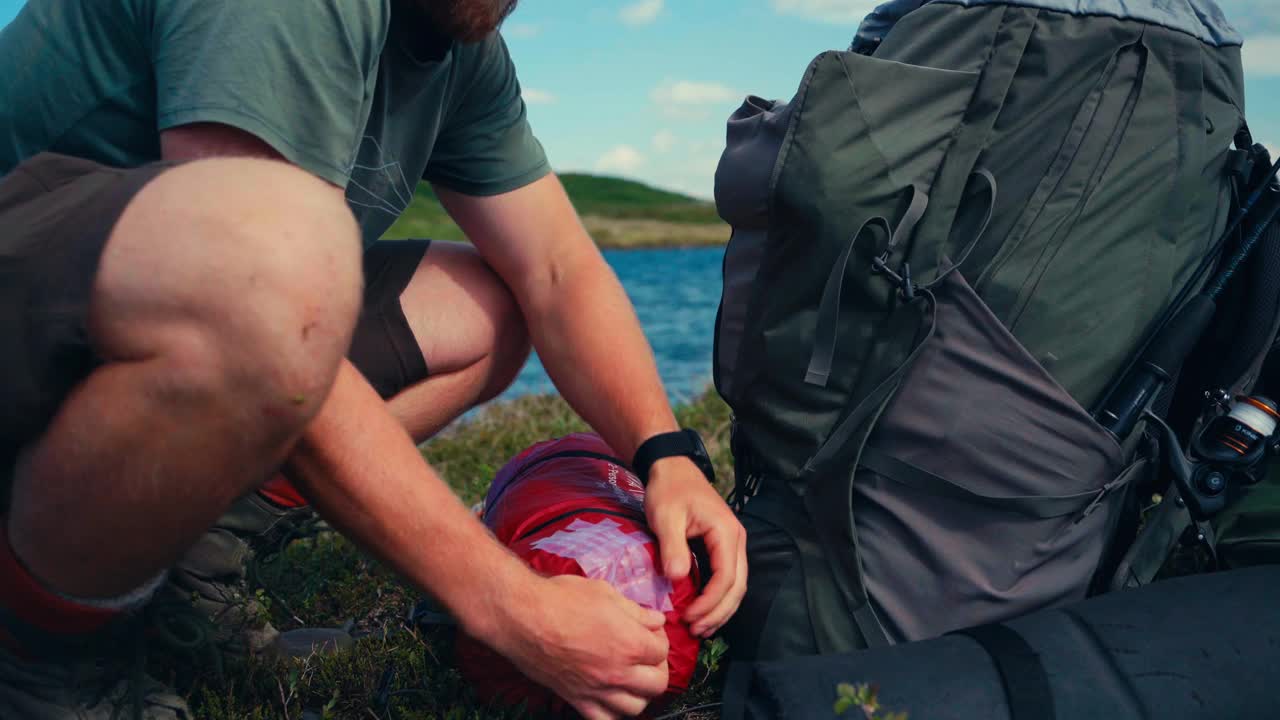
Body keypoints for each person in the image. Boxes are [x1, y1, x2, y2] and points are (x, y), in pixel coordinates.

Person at [0, 1, 746, 718]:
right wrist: (518, 610)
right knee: (276, 256)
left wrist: (667, 454)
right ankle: (38, 648)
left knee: (485, 305)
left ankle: (179, 562)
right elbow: (247, 287)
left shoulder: (461, 51)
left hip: (121, 328)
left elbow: (555, 270)